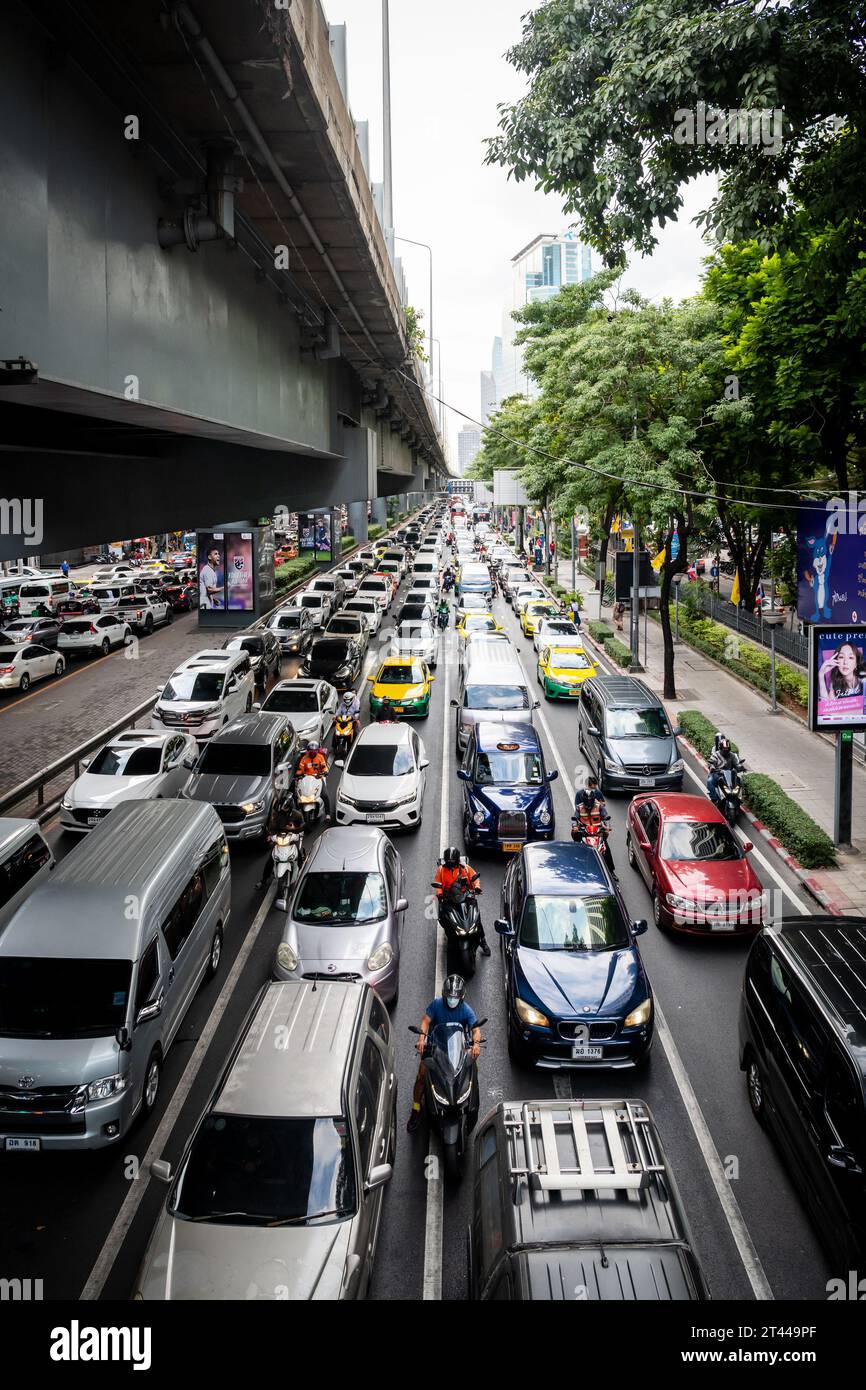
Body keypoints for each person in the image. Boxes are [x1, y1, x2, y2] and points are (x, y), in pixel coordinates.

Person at [407, 975, 481, 1133]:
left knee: (473, 1071)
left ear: (461, 997)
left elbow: (475, 1030)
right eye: (449, 996)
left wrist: (475, 1044)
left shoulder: (466, 1010)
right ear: (444, 995)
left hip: (458, 1049)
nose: (452, 1000)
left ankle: (471, 1103)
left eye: (455, 997)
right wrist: (421, 1039)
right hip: (436, 1047)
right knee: (421, 1076)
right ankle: (416, 1108)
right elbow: (426, 1021)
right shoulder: (436, 1005)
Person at [433, 846, 490, 955]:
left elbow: (474, 878)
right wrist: (440, 895)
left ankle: (483, 941)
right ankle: (451, 936)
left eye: (452, 861)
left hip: (465, 897)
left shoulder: (465, 868)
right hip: (449, 898)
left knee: (476, 918)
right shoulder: (441, 870)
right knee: (443, 917)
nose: (450, 863)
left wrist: (476, 887)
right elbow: (438, 884)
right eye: (449, 861)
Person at [255, 804, 305, 891]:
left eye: (285, 808)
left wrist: (295, 829)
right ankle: (263, 881)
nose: (283, 809)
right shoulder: (277, 816)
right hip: (280, 840)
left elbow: (302, 826)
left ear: (290, 807)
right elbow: (271, 827)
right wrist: (270, 836)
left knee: (299, 856)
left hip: (292, 839)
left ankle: (303, 876)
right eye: (283, 808)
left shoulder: (297, 815)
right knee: (270, 860)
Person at [572, 776, 615, 874]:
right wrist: (575, 827)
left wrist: (606, 826)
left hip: (597, 831)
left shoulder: (598, 798)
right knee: (576, 847)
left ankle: (611, 872)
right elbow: (575, 816)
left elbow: (605, 813)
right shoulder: (579, 801)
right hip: (584, 831)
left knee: (606, 850)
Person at [296, 739, 331, 820]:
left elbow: (324, 767)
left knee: (325, 795)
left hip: (318, 777)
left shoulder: (320, 757)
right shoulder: (304, 758)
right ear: (308, 751)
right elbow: (300, 769)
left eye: (314, 751)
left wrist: (324, 772)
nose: (312, 752)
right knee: (298, 794)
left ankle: (328, 814)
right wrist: (298, 774)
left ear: (317, 751)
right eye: (311, 751)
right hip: (306, 778)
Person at [707, 734, 740, 807]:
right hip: (718, 774)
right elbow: (711, 762)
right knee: (710, 781)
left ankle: (740, 796)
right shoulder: (715, 755)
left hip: (730, 774)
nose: (726, 752)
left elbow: (736, 763)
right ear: (720, 749)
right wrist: (712, 767)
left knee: (739, 780)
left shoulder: (732, 755)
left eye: (727, 750)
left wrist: (740, 767)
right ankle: (714, 798)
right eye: (724, 750)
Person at [199, 545, 223, 609]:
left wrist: (213, 599)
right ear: (209, 557)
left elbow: (206, 591)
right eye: (215, 554)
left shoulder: (211, 570)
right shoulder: (207, 570)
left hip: (207, 604)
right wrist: (224, 588)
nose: (218, 555)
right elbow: (209, 590)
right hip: (204, 605)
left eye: (218, 554)